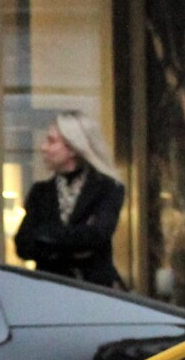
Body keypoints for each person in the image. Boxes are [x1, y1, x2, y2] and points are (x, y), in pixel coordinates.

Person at [13, 112, 125, 287]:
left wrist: (46, 237)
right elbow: (23, 245)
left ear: (73, 148)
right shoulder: (40, 192)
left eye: (51, 141)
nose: (43, 147)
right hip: (50, 292)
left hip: (94, 294)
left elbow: (98, 234)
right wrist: (76, 241)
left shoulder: (108, 188)